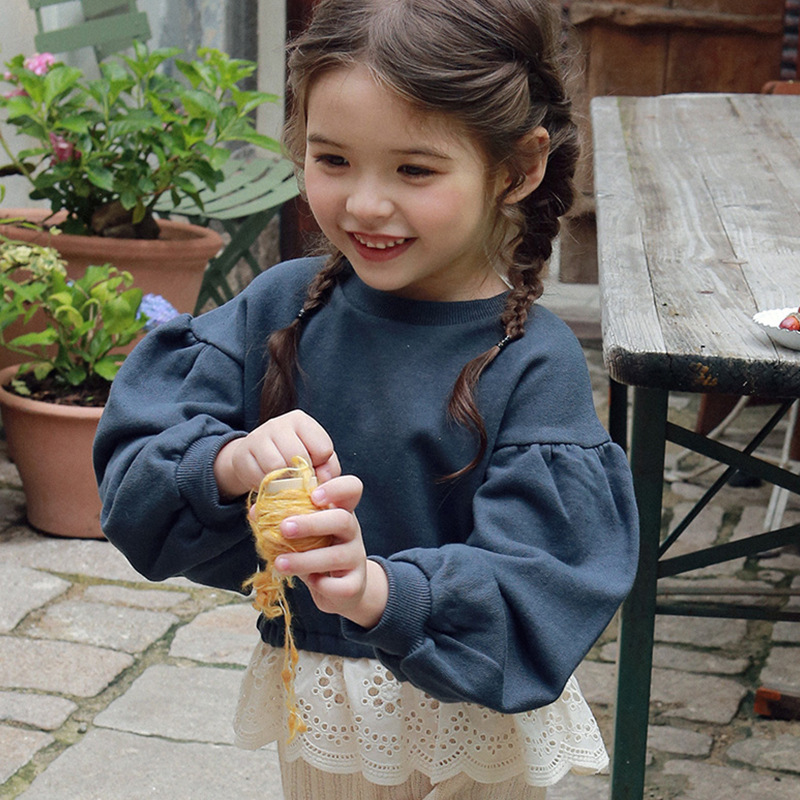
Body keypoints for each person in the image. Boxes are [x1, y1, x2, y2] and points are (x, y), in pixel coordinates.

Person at [94, 1, 639, 797]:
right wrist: (230, 461)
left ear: (518, 168)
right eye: (334, 160)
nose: (365, 205)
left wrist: (381, 591)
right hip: (324, 708)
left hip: (472, 724)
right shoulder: (280, 310)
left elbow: (547, 577)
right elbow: (137, 481)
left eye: (414, 170)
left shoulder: (530, 360)